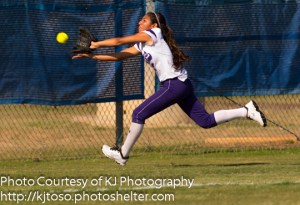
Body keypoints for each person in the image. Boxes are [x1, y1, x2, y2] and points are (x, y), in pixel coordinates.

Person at [72, 12, 267, 166]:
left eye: (144, 20)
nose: (140, 22)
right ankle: (247, 110)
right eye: (140, 20)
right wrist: (93, 56)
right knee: (205, 121)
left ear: (154, 26)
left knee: (138, 113)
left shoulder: (152, 35)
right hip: (180, 85)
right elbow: (119, 55)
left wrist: (95, 44)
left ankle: (122, 154)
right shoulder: (142, 44)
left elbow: (119, 41)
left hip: (175, 84)